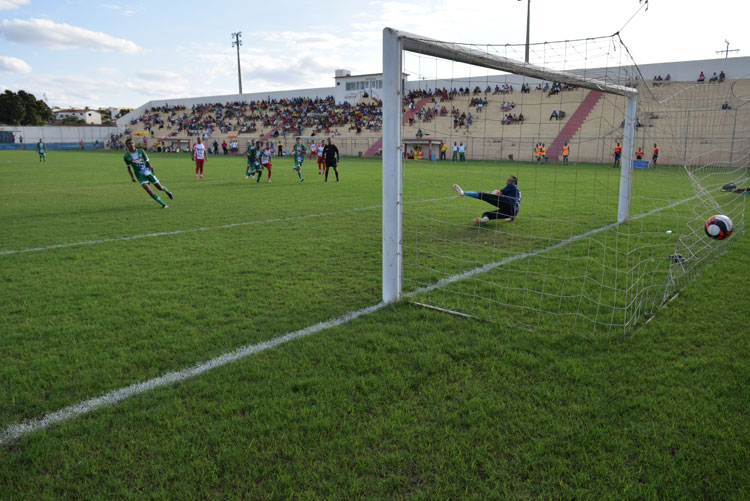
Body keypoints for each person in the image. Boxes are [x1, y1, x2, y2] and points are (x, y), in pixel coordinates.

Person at [123, 138, 173, 209]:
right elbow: (129, 167)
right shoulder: (126, 156)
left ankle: (167, 192)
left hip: (147, 171)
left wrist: (151, 167)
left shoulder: (141, 151)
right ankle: (163, 204)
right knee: (148, 189)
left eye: (132, 143)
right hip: (139, 175)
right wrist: (132, 177)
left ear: (134, 143)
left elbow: (147, 160)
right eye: (129, 143)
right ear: (127, 146)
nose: (131, 144)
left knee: (160, 188)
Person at [452, 176, 521, 223]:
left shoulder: (512, 186)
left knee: (484, 195)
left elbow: (500, 193)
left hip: (507, 203)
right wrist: (512, 218)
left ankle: (463, 193)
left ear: (514, 182)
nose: (507, 181)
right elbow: (517, 207)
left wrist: (495, 192)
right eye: (507, 180)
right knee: (487, 214)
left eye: (509, 180)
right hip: (511, 212)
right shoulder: (518, 192)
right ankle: (485, 219)